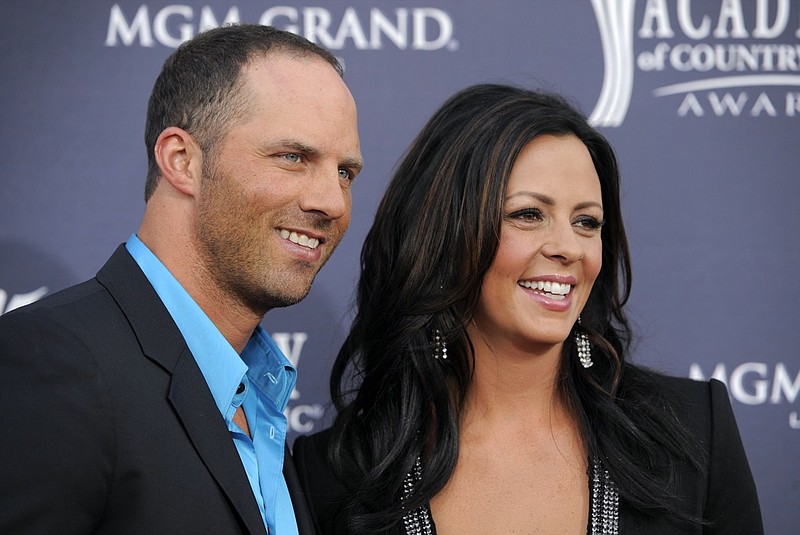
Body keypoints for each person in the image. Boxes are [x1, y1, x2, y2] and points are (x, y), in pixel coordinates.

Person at [292, 84, 762, 534]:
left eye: (587, 222)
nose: (568, 248)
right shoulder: (336, 473)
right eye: (528, 215)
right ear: (446, 236)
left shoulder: (694, 430)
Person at [0, 24, 362, 535]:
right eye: (293, 157)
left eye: (346, 172)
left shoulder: (258, 395)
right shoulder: (53, 364)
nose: (333, 201)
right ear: (181, 161)